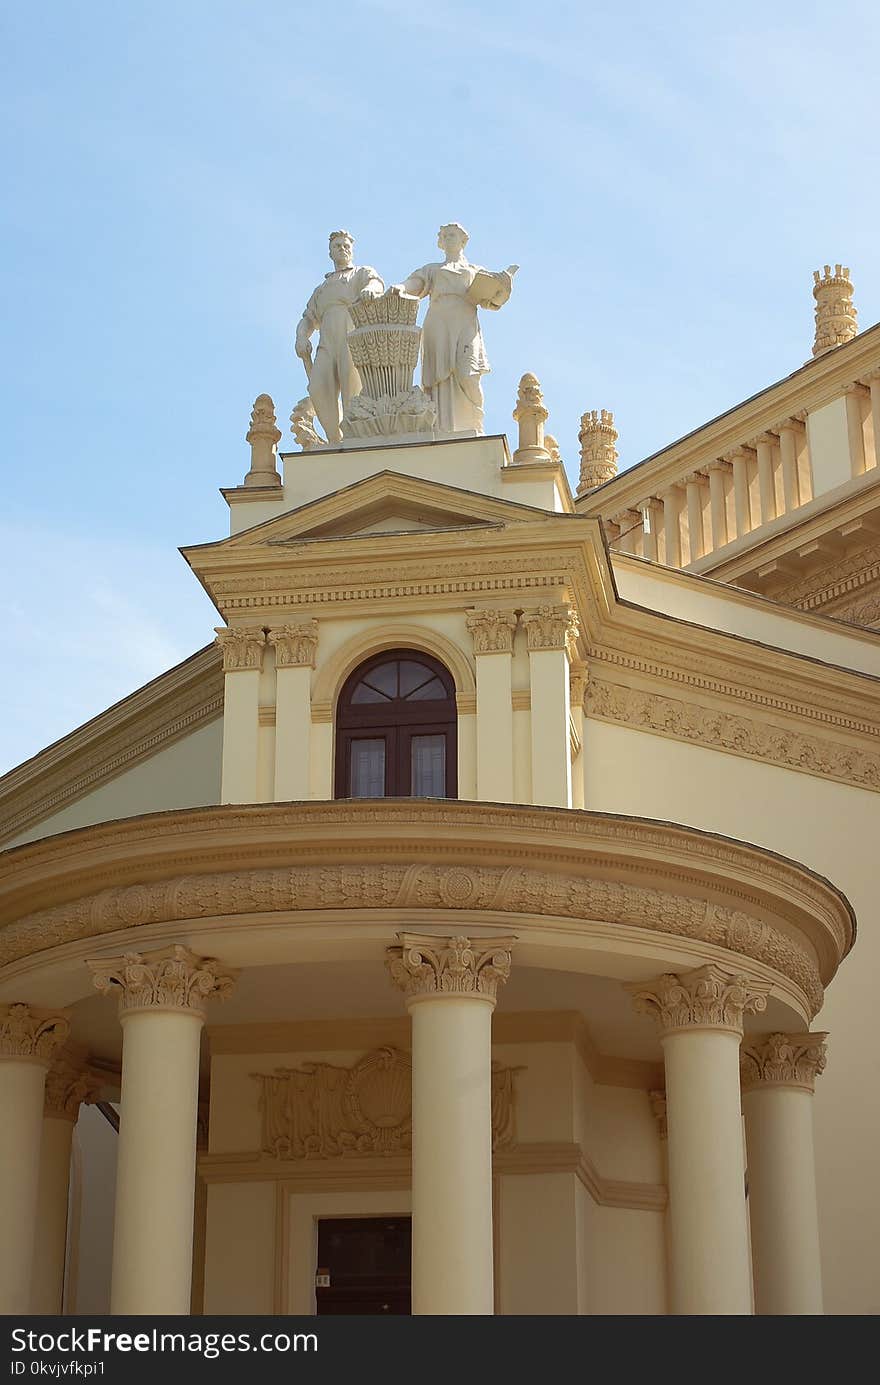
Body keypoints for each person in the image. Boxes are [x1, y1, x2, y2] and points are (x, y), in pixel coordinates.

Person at [396, 224, 517, 435]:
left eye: (452, 235)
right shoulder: (433, 269)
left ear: (463, 240)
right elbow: (416, 282)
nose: (448, 238)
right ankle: (439, 427)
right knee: (437, 377)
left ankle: (475, 422)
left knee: (467, 373)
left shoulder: (474, 271)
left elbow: (493, 301)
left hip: (465, 323)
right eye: (445, 235)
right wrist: (401, 288)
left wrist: (505, 287)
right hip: (438, 323)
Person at [295, 232, 383, 444]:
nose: (342, 249)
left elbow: (376, 283)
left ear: (352, 250)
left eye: (346, 246)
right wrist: (301, 336)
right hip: (327, 342)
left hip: (351, 334)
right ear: (330, 253)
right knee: (318, 387)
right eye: (337, 246)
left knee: (352, 387)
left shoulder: (360, 273)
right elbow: (308, 318)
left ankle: (355, 437)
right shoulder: (322, 289)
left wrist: (371, 290)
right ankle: (335, 440)